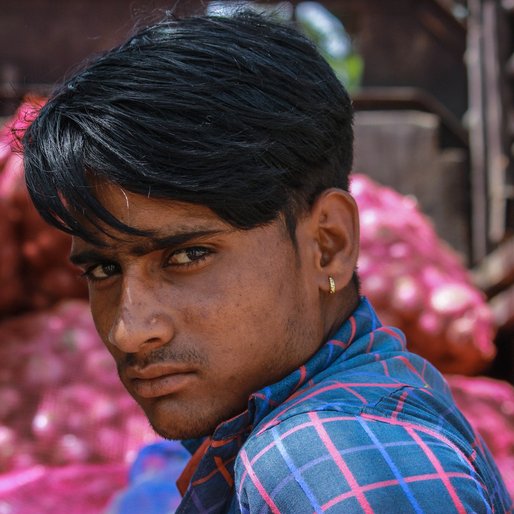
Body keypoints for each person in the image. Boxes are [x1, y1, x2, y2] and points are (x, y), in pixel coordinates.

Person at [22, 11, 512, 513]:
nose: (129, 332)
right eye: (103, 270)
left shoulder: (322, 456)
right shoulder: (363, 400)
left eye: (187, 256)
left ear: (329, 244)